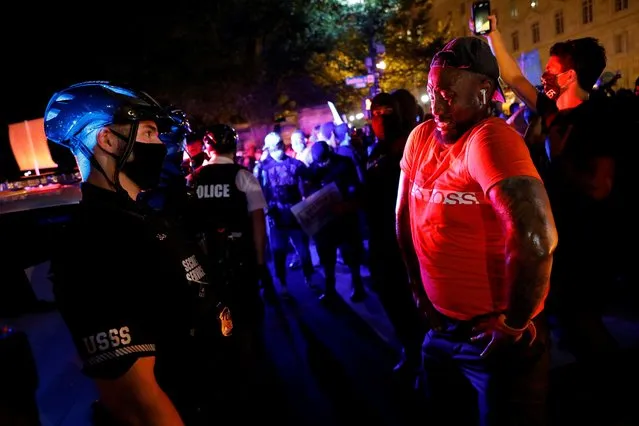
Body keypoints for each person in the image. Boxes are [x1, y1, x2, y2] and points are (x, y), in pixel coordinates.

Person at [45, 81, 233, 426]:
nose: (159, 144)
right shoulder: (93, 243)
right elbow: (138, 403)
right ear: (108, 140)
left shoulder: (145, 216)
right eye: (148, 132)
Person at [396, 38, 558, 426]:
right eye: (432, 92)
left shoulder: (489, 138)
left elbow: (536, 242)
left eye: (448, 95)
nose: (435, 106)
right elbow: (402, 217)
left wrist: (514, 325)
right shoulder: (420, 137)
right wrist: (419, 290)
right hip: (440, 330)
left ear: (484, 92)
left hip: (495, 341)